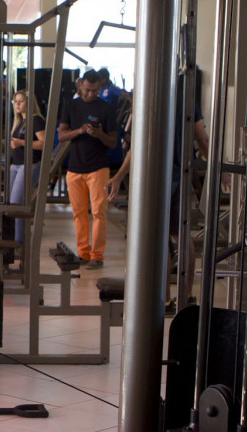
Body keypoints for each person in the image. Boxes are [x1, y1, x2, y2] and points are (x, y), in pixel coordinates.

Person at [107, 91, 211, 306]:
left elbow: (136, 145)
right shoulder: (187, 97)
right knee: (180, 235)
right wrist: (118, 177)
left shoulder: (151, 92)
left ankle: (164, 298)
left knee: (162, 237)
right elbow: (202, 138)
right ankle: (184, 296)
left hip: (157, 176)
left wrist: (119, 177)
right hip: (177, 175)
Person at [58, 70, 119, 269]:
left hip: (98, 167)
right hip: (75, 167)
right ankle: (83, 252)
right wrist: (80, 130)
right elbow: (61, 135)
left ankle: (97, 255)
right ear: (80, 85)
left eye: (94, 91)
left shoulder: (107, 109)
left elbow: (112, 142)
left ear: (100, 88)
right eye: (87, 90)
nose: (90, 94)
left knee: (99, 212)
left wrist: (99, 134)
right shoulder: (71, 105)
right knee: (78, 212)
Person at [8, 90, 46, 247]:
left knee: (17, 203)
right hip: (16, 164)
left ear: (29, 103)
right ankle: (14, 240)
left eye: (21, 101)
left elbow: (44, 143)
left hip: (29, 164)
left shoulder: (35, 120)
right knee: (12, 204)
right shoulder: (19, 121)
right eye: (15, 101)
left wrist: (21, 143)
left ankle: (19, 243)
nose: (17, 104)